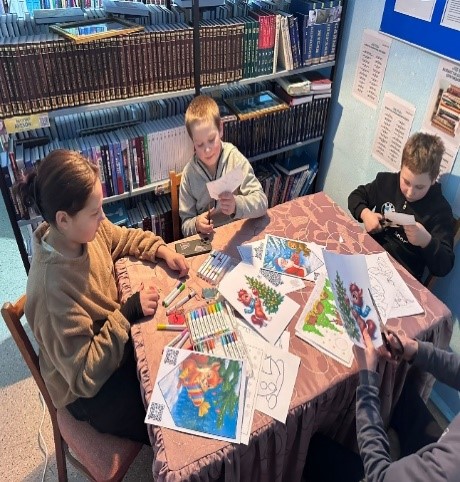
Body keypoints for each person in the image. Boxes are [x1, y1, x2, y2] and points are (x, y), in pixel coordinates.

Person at [16, 149, 189, 445]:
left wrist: (162, 250)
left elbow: (122, 237)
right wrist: (127, 313)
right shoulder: (50, 293)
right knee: (174, 419)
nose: (103, 217)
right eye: (95, 212)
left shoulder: (83, 232)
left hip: (110, 345)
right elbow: (84, 377)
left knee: (173, 360)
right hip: (89, 392)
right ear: (63, 220)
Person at [354, 327, 459, 481]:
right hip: (446, 444)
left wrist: (367, 384)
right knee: (402, 391)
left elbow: (380, 476)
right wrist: (415, 350)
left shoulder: (448, 472)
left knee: (321, 451)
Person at [348, 132, 455, 282]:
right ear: (401, 167)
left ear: (433, 179)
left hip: (402, 276)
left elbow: (444, 266)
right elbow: (356, 196)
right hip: (369, 256)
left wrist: (426, 241)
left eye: (419, 187)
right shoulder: (386, 182)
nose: (410, 193)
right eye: (406, 182)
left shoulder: (440, 211)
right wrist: (365, 214)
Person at [179, 95, 268, 237]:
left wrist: (236, 205)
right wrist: (196, 224)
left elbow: (262, 203)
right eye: (199, 145)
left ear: (220, 129)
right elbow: (185, 226)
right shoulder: (189, 175)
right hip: (209, 241)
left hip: (237, 234)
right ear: (192, 142)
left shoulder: (235, 159)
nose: (207, 150)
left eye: (211, 140)